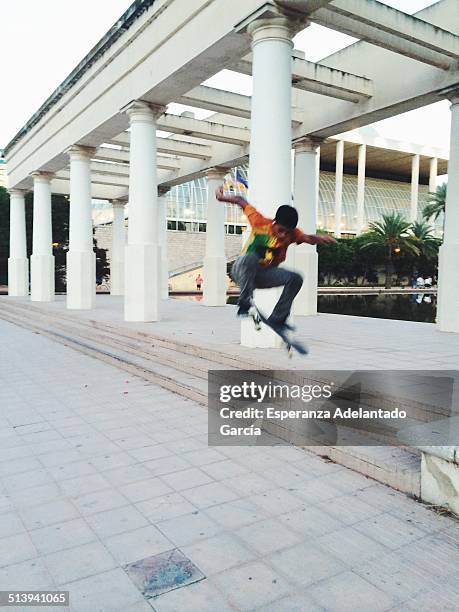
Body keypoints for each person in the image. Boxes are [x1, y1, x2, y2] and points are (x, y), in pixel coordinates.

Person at [215, 186, 335, 333]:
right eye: (281, 230)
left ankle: (278, 318)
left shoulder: (293, 234)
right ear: (274, 222)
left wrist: (320, 238)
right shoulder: (260, 222)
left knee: (296, 278)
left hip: (263, 275)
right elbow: (241, 201)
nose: (284, 235)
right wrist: (222, 197)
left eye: (287, 232)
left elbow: (307, 238)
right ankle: (244, 303)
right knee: (251, 258)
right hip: (241, 270)